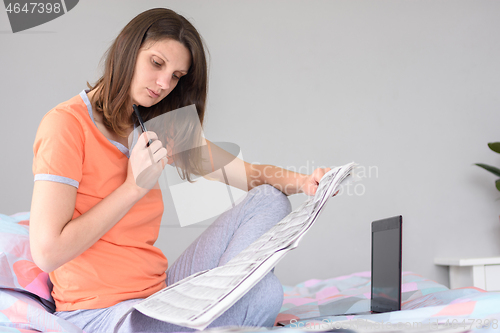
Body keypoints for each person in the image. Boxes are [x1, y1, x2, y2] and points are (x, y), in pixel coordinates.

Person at [29, 8, 332, 333]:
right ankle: (238, 308)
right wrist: (133, 187)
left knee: (270, 200)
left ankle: (232, 305)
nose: (163, 83)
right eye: (157, 63)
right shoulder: (65, 125)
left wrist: (305, 181)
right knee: (266, 294)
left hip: (159, 295)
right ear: (127, 50)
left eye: (176, 76)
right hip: (102, 315)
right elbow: (48, 253)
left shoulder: (152, 122)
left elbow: (242, 173)